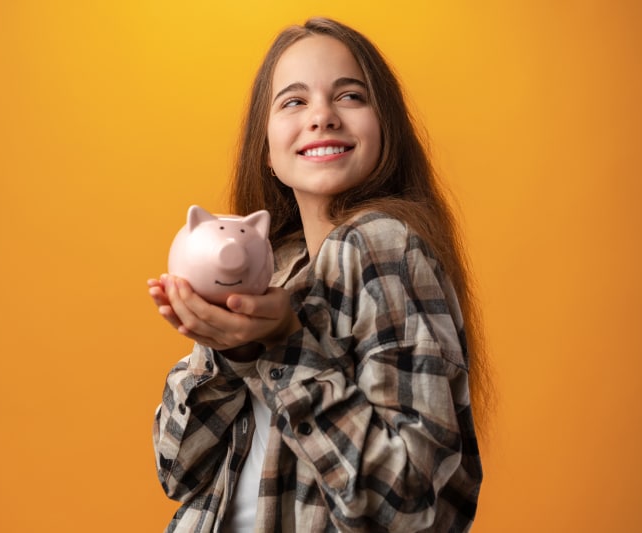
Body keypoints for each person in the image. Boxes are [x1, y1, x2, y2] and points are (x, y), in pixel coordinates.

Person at [148, 17, 490, 532]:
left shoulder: (382, 245)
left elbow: (405, 505)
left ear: (386, 127)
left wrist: (287, 347)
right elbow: (176, 471)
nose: (322, 117)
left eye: (350, 96)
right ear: (266, 149)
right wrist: (232, 351)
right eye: (293, 101)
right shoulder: (273, 268)